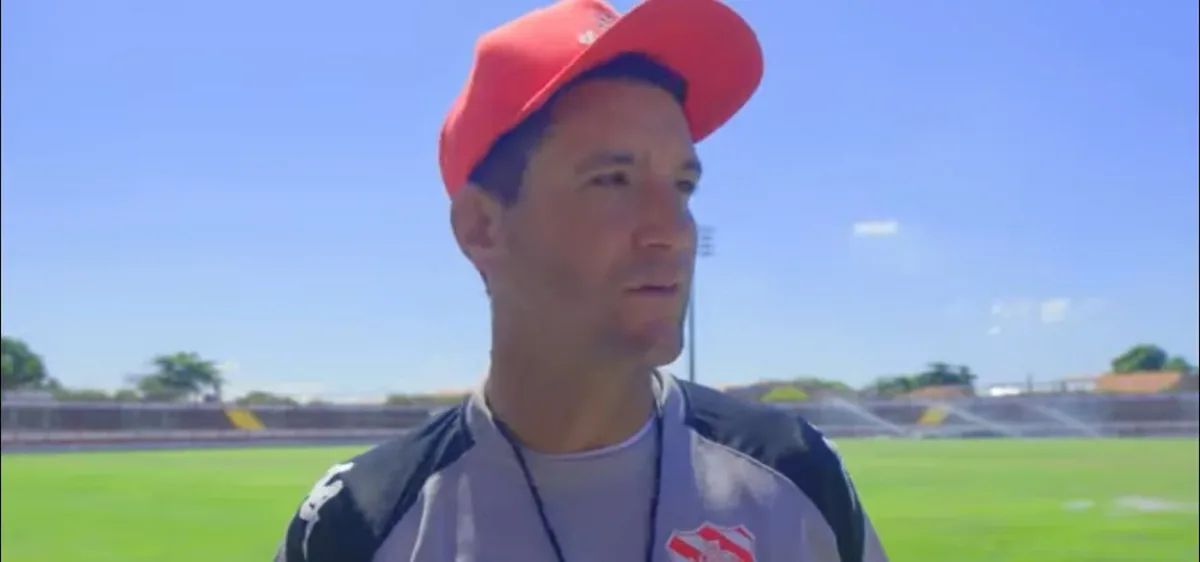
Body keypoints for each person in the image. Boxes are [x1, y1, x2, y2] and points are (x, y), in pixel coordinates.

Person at [276, 0, 889, 560]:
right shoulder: (360, 525)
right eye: (613, 180)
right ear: (482, 227)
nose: (672, 230)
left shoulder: (796, 474)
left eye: (683, 185)